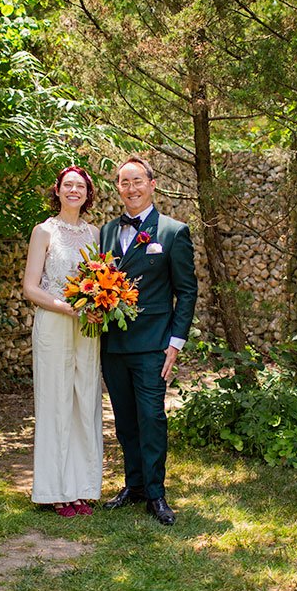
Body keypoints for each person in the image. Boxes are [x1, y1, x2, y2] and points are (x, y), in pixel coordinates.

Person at [100, 156, 198, 525]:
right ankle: (134, 485)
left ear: (152, 185)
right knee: (125, 420)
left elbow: (186, 292)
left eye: (137, 181)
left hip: (153, 344)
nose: (131, 188)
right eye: (124, 182)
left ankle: (156, 494)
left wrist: (175, 344)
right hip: (113, 345)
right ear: (118, 188)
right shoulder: (107, 232)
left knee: (152, 418)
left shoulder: (173, 232)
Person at [21, 166, 103, 517]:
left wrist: (100, 306)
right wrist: (67, 308)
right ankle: (55, 491)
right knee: (55, 401)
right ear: (57, 191)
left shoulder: (96, 233)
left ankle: (81, 488)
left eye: (80, 186)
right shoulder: (43, 232)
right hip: (55, 322)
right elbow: (30, 287)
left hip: (88, 328)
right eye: (67, 185)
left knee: (84, 400)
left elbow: (103, 280)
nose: (74, 191)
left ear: (88, 194)